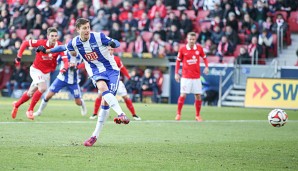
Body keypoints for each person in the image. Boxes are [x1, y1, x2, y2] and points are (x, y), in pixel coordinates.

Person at [40, 18, 130, 147]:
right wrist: (47, 50)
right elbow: (62, 47)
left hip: (111, 70)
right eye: (84, 28)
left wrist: (113, 43)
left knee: (105, 102)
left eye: (88, 27)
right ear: (78, 30)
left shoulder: (98, 37)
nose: (87, 30)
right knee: (103, 88)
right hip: (95, 71)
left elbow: (116, 42)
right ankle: (121, 114)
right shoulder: (75, 42)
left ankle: (95, 136)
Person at [11, 27, 68, 120]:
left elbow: (66, 60)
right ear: (48, 36)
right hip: (36, 70)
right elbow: (25, 43)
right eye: (52, 36)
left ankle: (16, 105)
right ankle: (30, 110)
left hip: (46, 73)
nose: (54, 38)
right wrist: (18, 57)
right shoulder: (41, 43)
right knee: (43, 88)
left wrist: (64, 68)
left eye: (56, 36)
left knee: (30, 93)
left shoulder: (59, 46)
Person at [90, 47, 141, 121]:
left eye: (112, 50)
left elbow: (122, 69)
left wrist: (129, 78)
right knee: (100, 96)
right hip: (105, 82)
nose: (110, 51)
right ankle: (95, 113)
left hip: (116, 82)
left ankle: (134, 114)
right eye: (109, 50)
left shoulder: (116, 59)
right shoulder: (101, 59)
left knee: (125, 97)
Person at [33, 53, 87, 117]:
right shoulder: (64, 53)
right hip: (61, 79)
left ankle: (82, 103)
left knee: (78, 102)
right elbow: (55, 62)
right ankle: (39, 111)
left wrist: (77, 67)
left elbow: (86, 63)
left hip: (73, 81)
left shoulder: (80, 54)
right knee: (48, 96)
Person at [174, 32, 209, 122]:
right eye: (190, 39)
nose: (191, 41)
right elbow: (178, 61)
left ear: (195, 40)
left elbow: (204, 57)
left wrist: (206, 67)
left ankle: (197, 115)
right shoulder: (183, 49)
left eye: (193, 39)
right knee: (183, 95)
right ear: (187, 39)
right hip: (186, 77)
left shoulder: (199, 49)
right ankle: (178, 114)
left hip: (196, 77)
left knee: (198, 96)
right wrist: (176, 73)